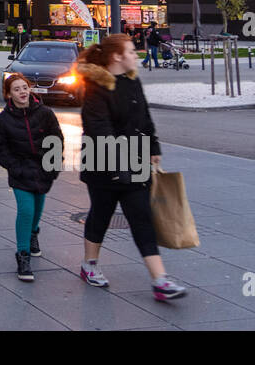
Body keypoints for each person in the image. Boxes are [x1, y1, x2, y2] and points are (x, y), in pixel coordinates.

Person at [76, 33, 187, 300]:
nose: (136, 54)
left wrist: (153, 148)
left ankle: (160, 280)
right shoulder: (96, 88)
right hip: (103, 166)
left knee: (142, 219)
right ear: (117, 57)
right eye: (131, 51)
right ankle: (89, 265)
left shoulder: (132, 81)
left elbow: (145, 118)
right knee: (101, 215)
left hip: (134, 163)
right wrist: (121, 166)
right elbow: (101, 133)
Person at [0, 72, 64, 281]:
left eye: (24, 87)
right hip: (20, 171)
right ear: (8, 94)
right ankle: (23, 256)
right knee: (26, 210)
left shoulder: (45, 113)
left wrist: (53, 165)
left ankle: (33, 233)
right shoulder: (3, 120)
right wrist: (13, 166)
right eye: (16, 89)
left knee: (37, 209)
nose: (22, 92)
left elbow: (57, 139)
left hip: (43, 169)